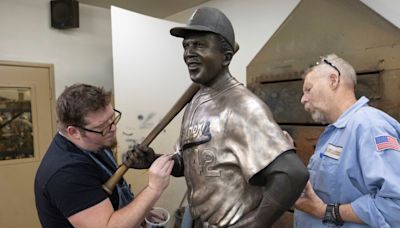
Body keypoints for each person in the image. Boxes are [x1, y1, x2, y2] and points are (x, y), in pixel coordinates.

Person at [124, 7, 308, 227]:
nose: (189, 53)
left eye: (199, 45)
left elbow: (292, 174)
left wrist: (255, 223)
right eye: (186, 46)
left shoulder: (242, 106)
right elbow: (189, 163)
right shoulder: (195, 104)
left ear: (226, 57)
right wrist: (153, 159)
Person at [34, 83, 174, 228]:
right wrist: (153, 189)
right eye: (102, 127)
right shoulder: (66, 173)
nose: (113, 128)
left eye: (112, 119)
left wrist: (140, 212)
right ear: (74, 132)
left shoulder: (95, 143)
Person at [294, 54, 400, 227]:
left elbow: (396, 206)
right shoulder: (336, 132)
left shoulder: (370, 126)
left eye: (308, 89)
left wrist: (328, 211)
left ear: (333, 80)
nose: (303, 99)